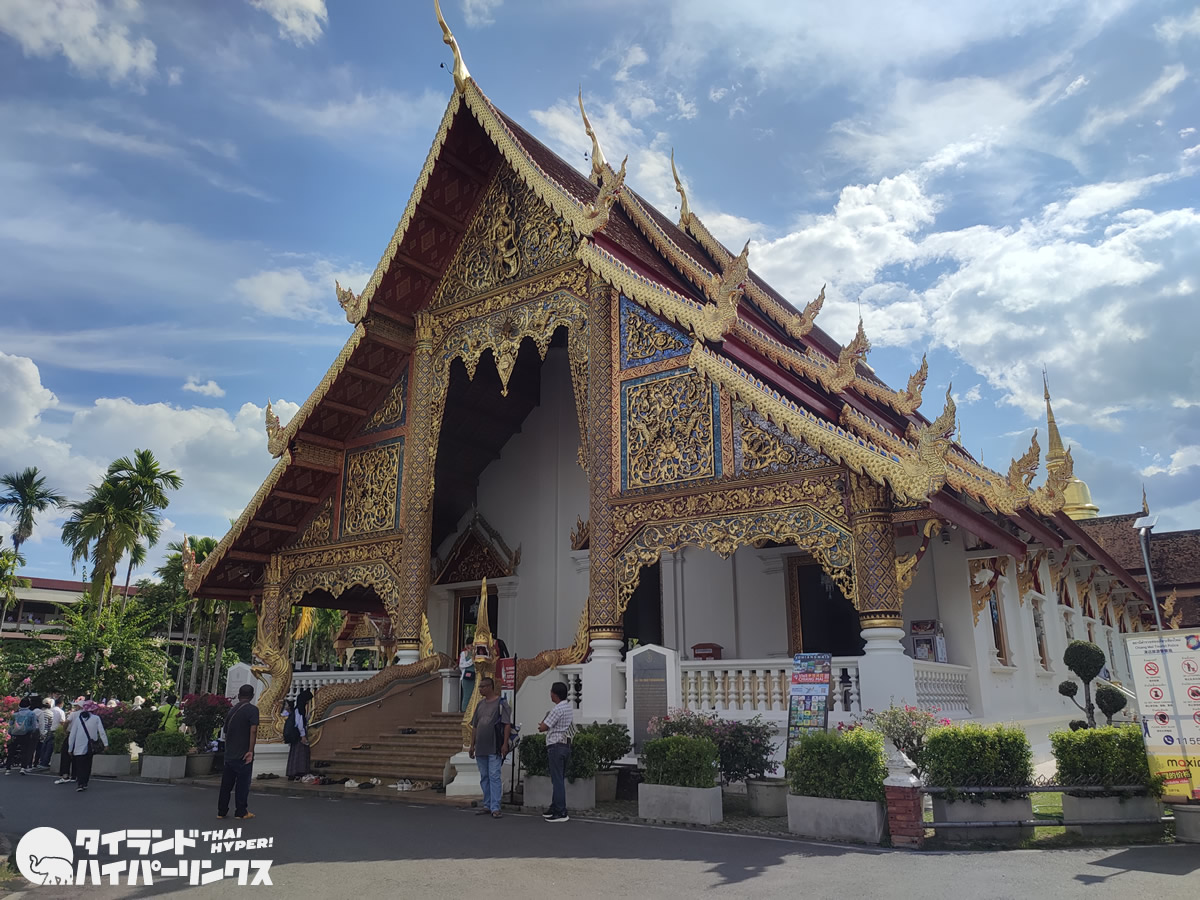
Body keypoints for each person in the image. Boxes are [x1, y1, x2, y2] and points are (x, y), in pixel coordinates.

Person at [468, 676, 511, 819]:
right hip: (481, 746)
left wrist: (505, 744)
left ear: (490, 687)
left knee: (494, 776)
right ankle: (487, 804)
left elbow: (506, 724)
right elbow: (475, 726)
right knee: (484, 776)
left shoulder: (501, 703)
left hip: (494, 745)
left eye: (482, 687)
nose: (480, 689)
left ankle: (495, 807)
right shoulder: (480, 704)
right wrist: (472, 745)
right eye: (480, 687)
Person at [217, 684, 260, 820]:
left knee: (226, 784)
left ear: (239, 695)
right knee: (242, 784)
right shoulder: (253, 710)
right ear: (252, 696)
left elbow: (225, 730)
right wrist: (250, 750)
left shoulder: (232, 710)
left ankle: (221, 811)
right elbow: (253, 730)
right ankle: (241, 811)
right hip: (243, 753)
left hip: (230, 752)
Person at [538, 681, 574, 823]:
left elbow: (543, 727)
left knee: (557, 780)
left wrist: (542, 724)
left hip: (555, 745)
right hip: (565, 744)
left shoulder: (556, 709)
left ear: (555, 694)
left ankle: (560, 811)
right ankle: (554, 807)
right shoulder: (568, 707)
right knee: (559, 778)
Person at [67, 703, 109, 792]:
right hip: (91, 746)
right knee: (88, 765)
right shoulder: (96, 718)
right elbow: (101, 732)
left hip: (78, 746)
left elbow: (72, 735)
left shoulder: (78, 719)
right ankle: (85, 782)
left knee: (79, 765)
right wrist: (105, 744)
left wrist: (70, 748)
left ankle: (80, 783)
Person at [283, 690, 311, 781]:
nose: (308, 703)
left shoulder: (297, 709)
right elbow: (299, 724)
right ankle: (299, 771)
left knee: (295, 753)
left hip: (297, 735)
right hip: (299, 735)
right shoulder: (299, 710)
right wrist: (303, 736)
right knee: (300, 753)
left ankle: (293, 771)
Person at [6, 697, 37, 774]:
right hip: (26, 734)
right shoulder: (31, 714)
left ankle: (8, 768)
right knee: (25, 751)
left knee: (12, 751)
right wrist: (31, 732)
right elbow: (34, 726)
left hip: (15, 734)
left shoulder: (15, 714)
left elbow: (10, 725)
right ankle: (23, 768)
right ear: (29, 705)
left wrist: (10, 733)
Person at [55, 701, 82, 785]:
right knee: (77, 755)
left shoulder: (74, 714)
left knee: (66, 754)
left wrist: (64, 730)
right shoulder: (89, 715)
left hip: (71, 734)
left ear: (79, 706)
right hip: (82, 737)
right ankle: (75, 775)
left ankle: (65, 775)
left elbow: (67, 722)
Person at [41, 696, 66, 769]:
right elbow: (62, 722)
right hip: (56, 731)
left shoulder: (51, 710)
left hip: (49, 730)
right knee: (50, 748)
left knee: (45, 746)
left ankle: (42, 761)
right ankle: (45, 763)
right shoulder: (61, 711)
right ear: (61, 703)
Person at [458, 642, 475, 712]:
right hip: (467, 677)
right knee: (467, 695)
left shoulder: (476, 653)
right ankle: (464, 711)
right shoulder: (464, 653)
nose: (472, 647)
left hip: (475, 676)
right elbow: (461, 665)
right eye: (471, 645)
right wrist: (471, 661)